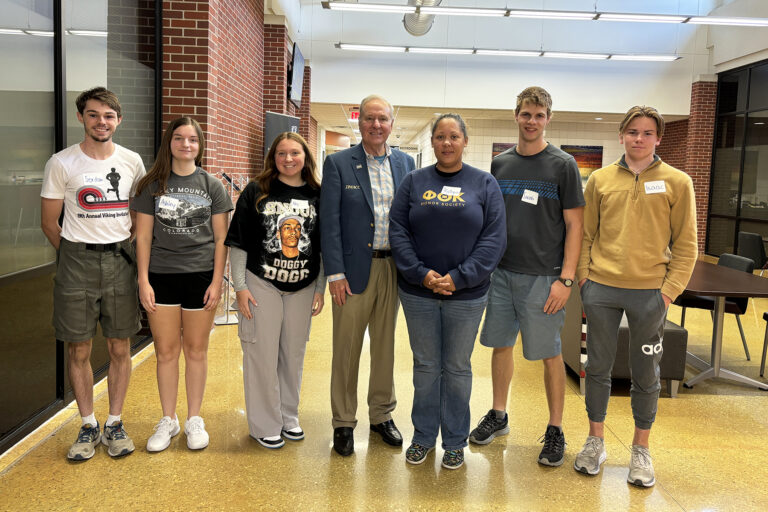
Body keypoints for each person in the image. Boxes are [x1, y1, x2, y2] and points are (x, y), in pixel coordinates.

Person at [573, 106, 697, 487]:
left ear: (658, 138)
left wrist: (668, 293)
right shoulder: (600, 180)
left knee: (646, 373)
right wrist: (584, 282)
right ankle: (596, 440)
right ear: (622, 135)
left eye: (646, 133)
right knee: (597, 367)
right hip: (601, 290)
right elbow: (587, 235)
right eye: (632, 132)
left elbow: (687, 244)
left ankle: (641, 450)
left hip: (650, 295)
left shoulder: (678, 182)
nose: (639, 139)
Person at [469, 86, 585, 468]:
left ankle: (555, 429)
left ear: (548, 119)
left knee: (550, 354)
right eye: (525, 114)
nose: (532, 121)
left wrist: (566, 279)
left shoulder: (563, 165)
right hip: (502, 275)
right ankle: (499, 415)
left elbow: (575, 226)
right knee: (500, 345)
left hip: (545, 278)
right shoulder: (500, 164)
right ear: (515, 116)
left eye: (539, 115)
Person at [390, 114, 506, 469]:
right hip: (418, 293)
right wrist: (421, 273)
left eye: (453, 136)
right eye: (440, 137)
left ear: (464, 141)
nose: (446, 143)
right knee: (425, 366)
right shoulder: (413, 181)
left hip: (467, 296)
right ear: (433, 142)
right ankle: (423, 436)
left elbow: (494, 238)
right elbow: (398, 230)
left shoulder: (484, 183)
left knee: (457, 368)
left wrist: (459, 277)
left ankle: (455, 440)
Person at [40, 87, 145, 460]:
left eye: (109, 115)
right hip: (76, 263)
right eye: (94, 114)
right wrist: (76, 253)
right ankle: (87, 424)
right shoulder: (62, 163)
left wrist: (120, 246)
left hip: (120, 262)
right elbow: (50, 223)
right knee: (79, 346)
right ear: (81, 118)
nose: (102, 121)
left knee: (120, 345)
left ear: (119, 120)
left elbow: (139, 216)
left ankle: (114, 422)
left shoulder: (132, 161)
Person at [320, 94, 415, 456]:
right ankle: (343, 422)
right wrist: (335, 274)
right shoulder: (340, 164)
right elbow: (330, 223)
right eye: (370, 118)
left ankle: (381, 415)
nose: (377, 125)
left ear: (392, 124)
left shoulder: (406, 164)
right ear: (359, 123)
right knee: (346, 347)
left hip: (394, 267)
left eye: (383, 119)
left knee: (386, 347)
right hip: (353, 270)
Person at [132, 116, 233, 452]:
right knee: (165, 351)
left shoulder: (212, 186)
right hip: (161, 276)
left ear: (199, 145)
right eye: (179, 138)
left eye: (192, 139)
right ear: (169, 143)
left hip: (201, 276)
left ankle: (193, 419)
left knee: (196, 350)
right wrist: (143, 280)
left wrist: (218, 282)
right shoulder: (152, 184)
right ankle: (168, 419)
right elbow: (143, 237)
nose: (186, 145)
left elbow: (221, 240)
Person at [225, 132, 326, 449]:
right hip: (261, 284)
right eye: (281, 153)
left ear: (305, 157)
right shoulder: (256, 191)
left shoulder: (318, 194)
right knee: (261, 354)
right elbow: (239, 241)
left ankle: (288, 417)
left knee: (292, 355)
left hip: (303, 286)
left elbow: (323, 247)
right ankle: (264, 424)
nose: (288, 159)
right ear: (273, 157)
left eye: (294, 153)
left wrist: (320, 287)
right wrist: (239, 287)